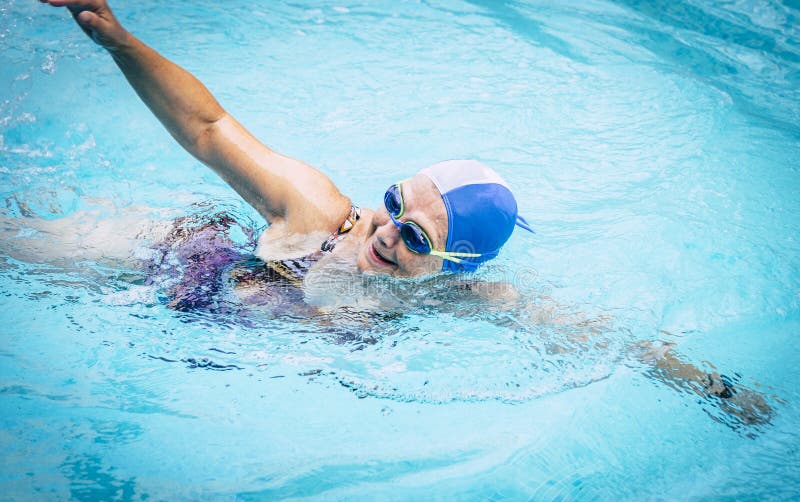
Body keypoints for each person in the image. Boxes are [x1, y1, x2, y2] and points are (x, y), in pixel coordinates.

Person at [35, 0, 774, 431]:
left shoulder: (463, 301)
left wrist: (712, 387)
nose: (385, 230)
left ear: (456, 267)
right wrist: (118, 40)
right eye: (395, 203)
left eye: (416, 235)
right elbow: (209, 130)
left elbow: (610, 341)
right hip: (172, 262)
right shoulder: (321, 211)